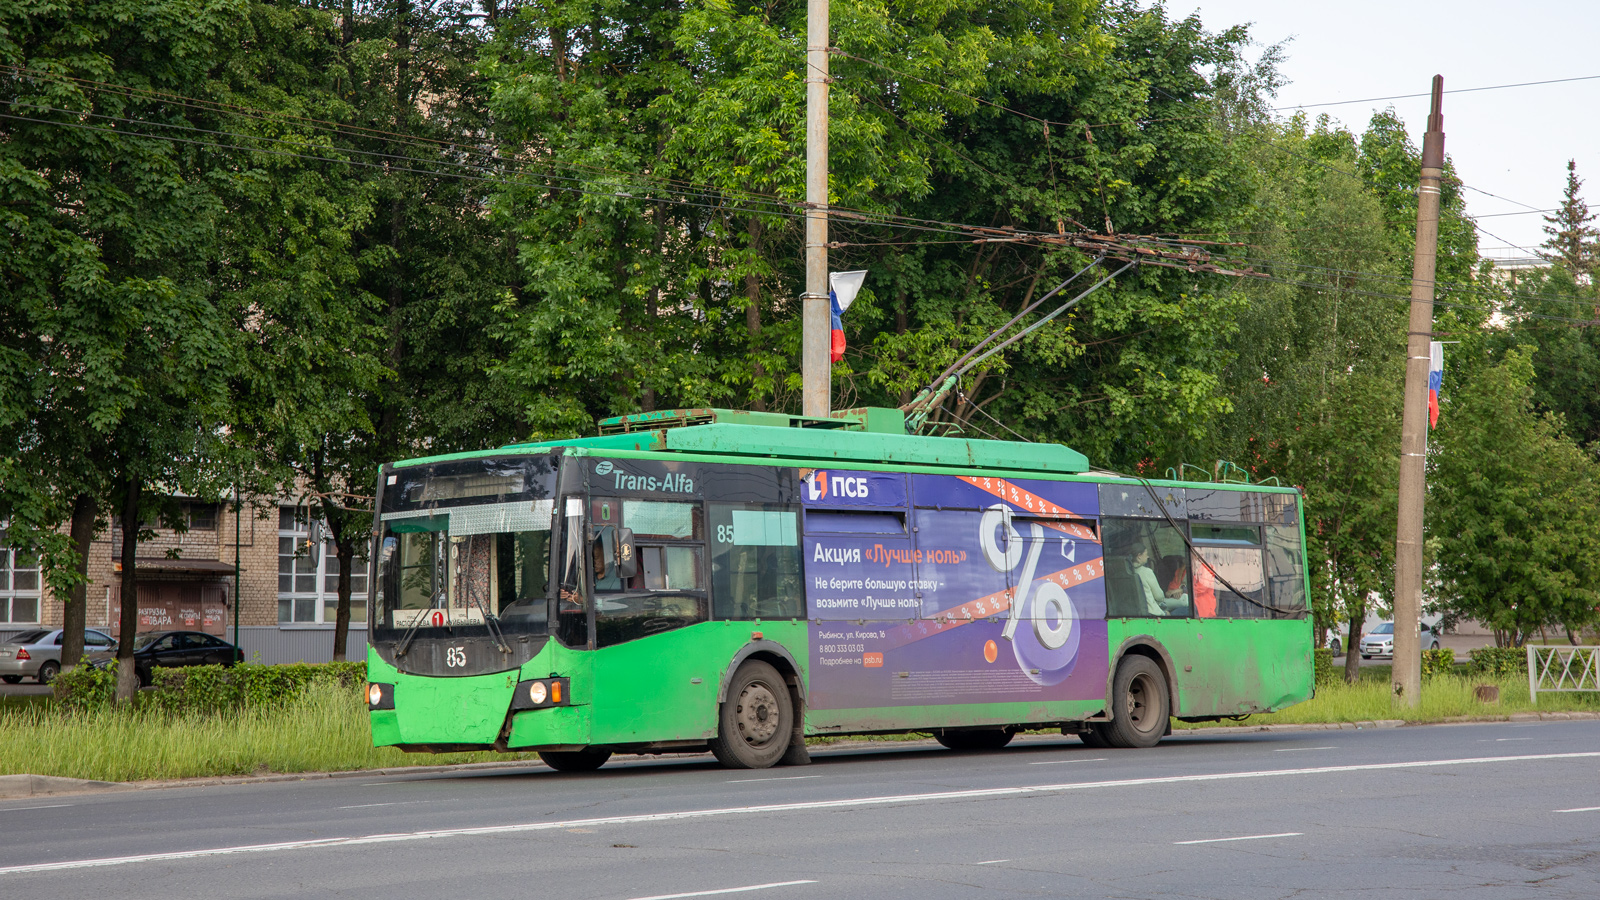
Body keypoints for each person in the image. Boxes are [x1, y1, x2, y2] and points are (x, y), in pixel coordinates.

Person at [1132, 545, 1187, 616]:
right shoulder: (1146, 572)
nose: (1148, 557)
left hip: (1140, 610)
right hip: (1154, 612)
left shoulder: (1130, 572)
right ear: (1139, 556)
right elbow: (1159, 596)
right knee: (1188, 608)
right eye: (1146, 554)